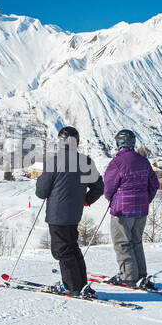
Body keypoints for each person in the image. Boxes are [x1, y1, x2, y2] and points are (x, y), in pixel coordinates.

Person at [34, 125, 104, 297]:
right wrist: (86, 200)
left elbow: (41, 192)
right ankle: (80, 284)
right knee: (72, 247)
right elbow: (99, 187)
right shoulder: (85, 162)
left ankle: (72, 287)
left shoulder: (53, 162)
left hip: (57, 215)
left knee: (62, 251)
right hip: (74, 214)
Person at [101, 128, 160, 288]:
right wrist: (146, 199)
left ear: (119, 144)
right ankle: (140, 274)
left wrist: (111, 199)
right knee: (136, 242)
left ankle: (128, 276)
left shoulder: (117, 163)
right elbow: (154, 184)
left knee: (122, 243)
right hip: (141, 209)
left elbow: (108, 187)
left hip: (122, 209)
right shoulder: (143, 161)